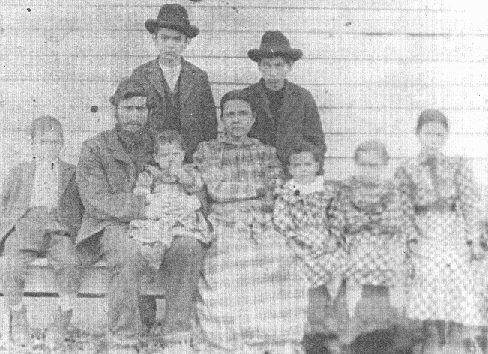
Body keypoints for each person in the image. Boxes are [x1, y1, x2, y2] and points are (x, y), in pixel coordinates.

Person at [76, 77, 205, 353]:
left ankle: (176, 333)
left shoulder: (159, 145)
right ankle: (124, 338)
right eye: (128, 108)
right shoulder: (95, 148)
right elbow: (95, 201)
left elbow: (186, 175)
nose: (135, 116)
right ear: (115, 109)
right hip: (111, 223)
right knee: (128, 253)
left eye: (141, 109)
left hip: (163, 222)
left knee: (188, 247)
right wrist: (143, 208)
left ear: (148, 112)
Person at [194, 90, 308, 354]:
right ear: (221, 120)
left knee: (281, 258)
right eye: (230, 115)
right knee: (230, 264)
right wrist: (252, 190)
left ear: (253, 119)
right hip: (223, 219)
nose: (236, 120)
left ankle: (275, 340)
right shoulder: (207, 151)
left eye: (242, 114)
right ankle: (232, 342)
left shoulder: (266, 153)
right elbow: (213, 190)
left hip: (262, 221)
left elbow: (275, 189)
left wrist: (250, 195)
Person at [394, 109, 485, 353]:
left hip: (453, 227)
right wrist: (411, 238)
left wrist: (472, 239)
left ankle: (456, 333)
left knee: (458, 272)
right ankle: (431, 332)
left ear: (446, 137)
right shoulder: (406, 167)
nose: (433, 139)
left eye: (439, 135)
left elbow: (469, 202)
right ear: (418, 135)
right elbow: (403, 208)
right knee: (427, 274)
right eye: (427, 134)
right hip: (423, 229)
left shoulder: (458, 164)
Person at [0, 116, 82, 348]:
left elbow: (81, 205)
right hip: (27, 223)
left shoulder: (72, 173)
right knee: (10, 263)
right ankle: (18, 315)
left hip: (59, 226)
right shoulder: (20, 171)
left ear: (62, 144)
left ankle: (62, 319)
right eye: (44, 142)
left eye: (55, 142)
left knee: (69, 263)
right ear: (33, 145)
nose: (50, 147)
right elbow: (4, 203)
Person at [329, 141, 406, 345]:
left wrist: (368, 220)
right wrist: (368, 220)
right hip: (356, 240)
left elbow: (396, 218)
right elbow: (342, 216)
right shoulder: (347, 188)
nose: (369, 171)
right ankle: (351, 322)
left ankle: (395, 322)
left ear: (384, 166)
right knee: (354, 267)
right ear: (356, 164)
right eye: (364, 165)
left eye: (375, 166)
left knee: (395, 266)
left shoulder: (391, 188)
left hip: (385, 240)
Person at [272, 141, 347, 352]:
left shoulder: (326, 191)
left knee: (336, 265)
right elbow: (282, 222)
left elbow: (337, 216)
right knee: (303, 272)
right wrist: (296, 244)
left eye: (307, 165)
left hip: (324, 239)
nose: (302, 170)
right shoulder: (287, 193)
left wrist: (333, 238)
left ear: (317, 166)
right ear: (289, 169)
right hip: (300, 242)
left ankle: (332, 322)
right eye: (297, 166)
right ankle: (310, 329)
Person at [129, 3, 218, 162]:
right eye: (165, 38)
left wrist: (201, 159)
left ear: (186, 42)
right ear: (155, 39)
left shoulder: (198, 77)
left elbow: (209, 125)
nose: (170, 45)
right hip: (150, 159)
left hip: (190, 160)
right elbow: (131, 121)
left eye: (177, 39)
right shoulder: (140, 75)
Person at [129, 130, 212, 271]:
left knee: (179, 229)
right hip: (160, 210)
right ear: (156, 157)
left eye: (176, 154)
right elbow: (140, 192)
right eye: (165, 155)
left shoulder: (188, 171)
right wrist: (149, 195)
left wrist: (181, 175)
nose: (171, 159)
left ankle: (158, 253)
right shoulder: (151, 173)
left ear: (183, 155)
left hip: (180, 211)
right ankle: (152, 251)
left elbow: (196, 185)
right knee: (153, 230)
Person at [243, 30, 326, 170]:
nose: (272, 71)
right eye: (267, 65)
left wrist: (306, 170)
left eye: (278, 65)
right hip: (255, 170)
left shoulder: (302, 97)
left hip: (292, 172)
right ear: (259, 67)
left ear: (289, 66)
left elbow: (316, 142)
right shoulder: (247, 96)